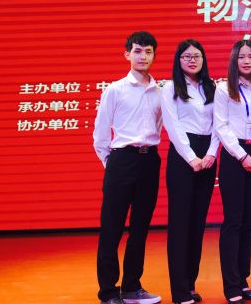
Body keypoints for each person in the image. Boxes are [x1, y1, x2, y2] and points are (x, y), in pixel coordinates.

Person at [92, 31, 162, 304]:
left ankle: (132, 287)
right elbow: (100, 134)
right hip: (121, 160)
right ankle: (108, 291)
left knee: (140, 228)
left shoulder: (161, 92)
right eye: (137, 51)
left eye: (148, 51)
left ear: (154, 55)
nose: (143, 56)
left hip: (150, 161)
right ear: (127, 54)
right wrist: (111, 164)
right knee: (112, 228)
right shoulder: (115, 90)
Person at [214, 39, 251, 303]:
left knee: (249, 222)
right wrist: (242, 156)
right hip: (234, 157)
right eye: (241, 57)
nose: (247, 61)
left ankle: (243, 279)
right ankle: (231, 285)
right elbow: (221, 126)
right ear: (234, 60)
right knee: (233, 221)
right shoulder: (223, 89)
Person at [161, 39, 219, 304]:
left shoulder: (211, 87)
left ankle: (191, 283)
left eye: (197, 56)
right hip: (183, 156)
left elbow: (219, 123)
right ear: (179, 60)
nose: (192, 60)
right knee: (180, 224)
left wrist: (211, 154)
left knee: (197, 223)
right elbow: (172, 126)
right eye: (187, 56)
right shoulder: (170, 87)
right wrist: (192, 157)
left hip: (207, 156)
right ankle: (180, 290)